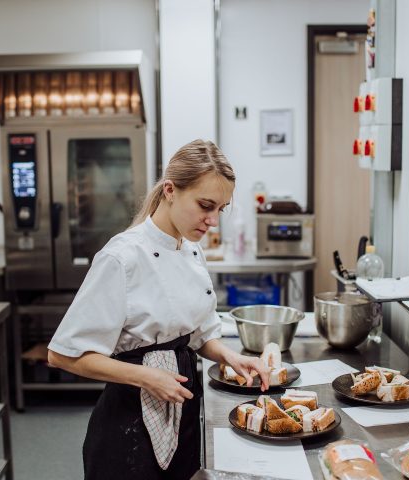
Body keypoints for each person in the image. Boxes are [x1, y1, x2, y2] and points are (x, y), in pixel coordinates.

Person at [48, 139, 270, 480]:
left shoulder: (190, 249)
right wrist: (146, 377)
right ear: (170, 190)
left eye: (220, 210)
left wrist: (230, 357)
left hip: (182, 409)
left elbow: (191, 336)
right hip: (129, 426)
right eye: (205, 206)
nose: (213, 221)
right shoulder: (122, 257)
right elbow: (63, 355)